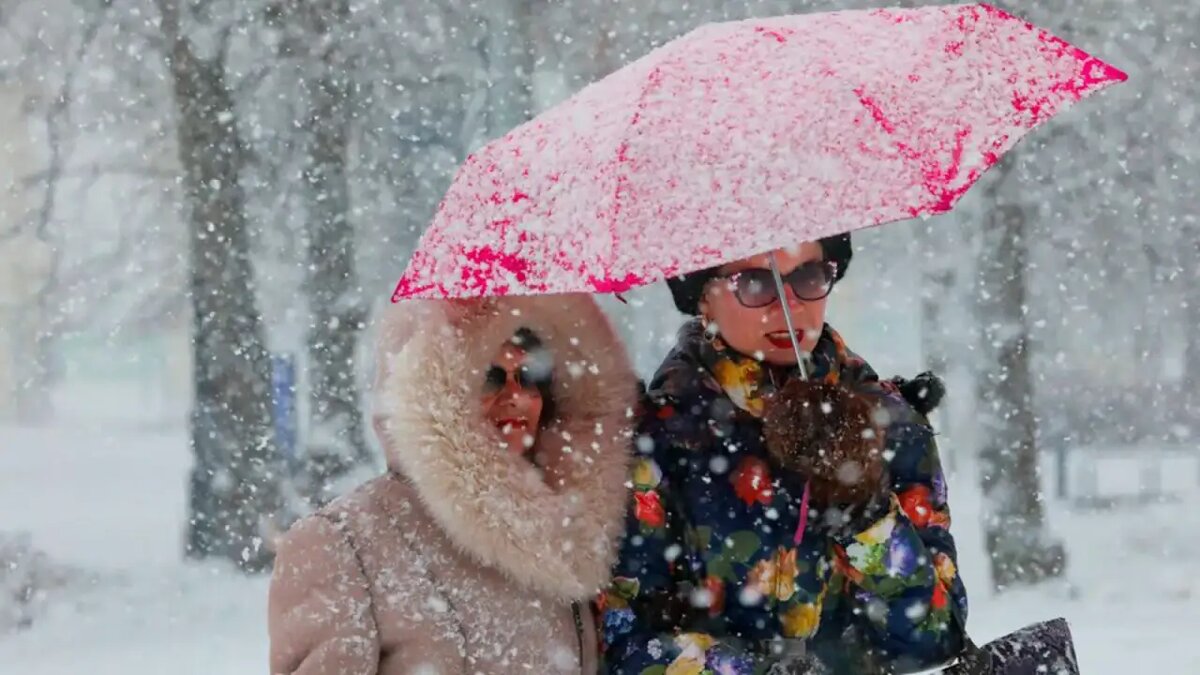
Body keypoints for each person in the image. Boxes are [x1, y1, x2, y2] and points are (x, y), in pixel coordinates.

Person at [600, 235, 967, 674]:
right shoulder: (653, 441)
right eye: (756, 284)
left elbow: (935, 637)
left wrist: (861, 508)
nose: (789, 305)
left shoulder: (889, 423)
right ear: (702, 297)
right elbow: (622, 641)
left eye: (809, 277)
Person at [269, 294, 637, 674]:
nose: (517, 398)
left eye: (529, 377)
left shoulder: (565, 535)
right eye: (490, 377)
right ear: (435, 390)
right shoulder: (343, 544)